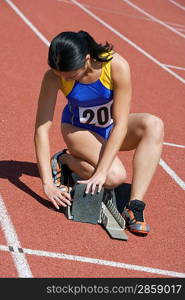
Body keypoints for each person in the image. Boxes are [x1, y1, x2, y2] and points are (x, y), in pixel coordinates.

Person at [34, 30, 164, 235]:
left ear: (86, 59)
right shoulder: (54, 76)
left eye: (69, 74)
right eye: (59, 73)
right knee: (114, 178)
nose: (63, 77)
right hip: (78, 130)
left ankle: (135, 205)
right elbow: (42, 128)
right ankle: (65, 160)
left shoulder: (116, 66)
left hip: (110, 128)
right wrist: (47, 183)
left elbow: (120, 124)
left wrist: (101, 171)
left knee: (153, 125)